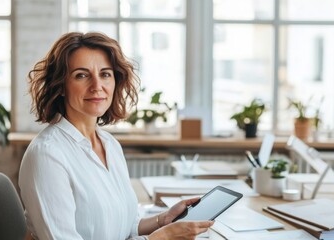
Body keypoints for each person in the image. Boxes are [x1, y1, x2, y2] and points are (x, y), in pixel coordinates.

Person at [18, 32, 214, 240]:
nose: (97, 86)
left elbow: (123, 227)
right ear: (61, 86)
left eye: (105, 74)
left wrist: (163, 220)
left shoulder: (110, 145)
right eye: (82, 75)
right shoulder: (47, 154)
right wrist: (161, 238)